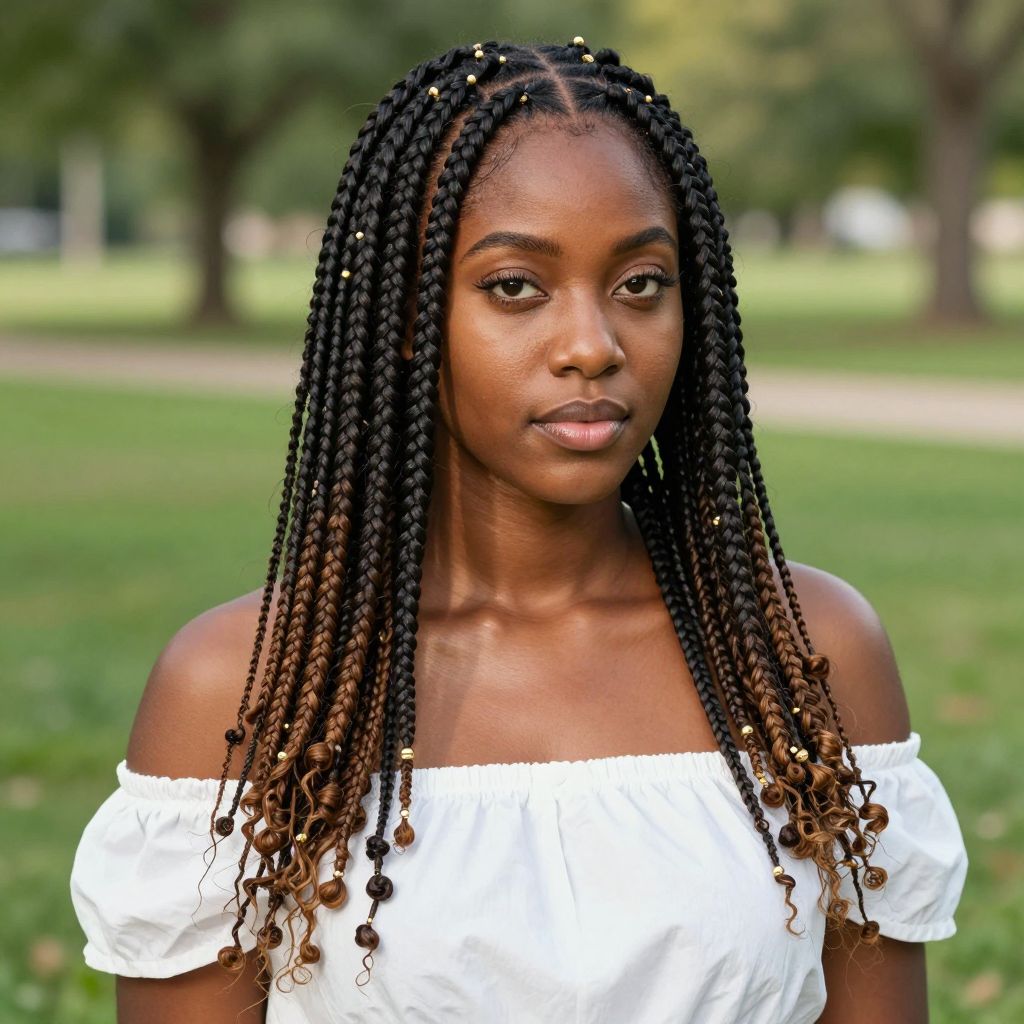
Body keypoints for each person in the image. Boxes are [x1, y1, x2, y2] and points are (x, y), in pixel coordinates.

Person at [70, 36, 968, 1023]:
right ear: (405, 318)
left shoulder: (804, 653)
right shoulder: (246, 686)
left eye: (641, 283)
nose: (592, 344)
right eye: (514, 287)